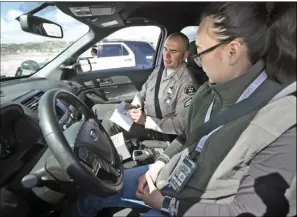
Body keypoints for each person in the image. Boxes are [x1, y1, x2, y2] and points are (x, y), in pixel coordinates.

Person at [73, 2, 296, 217]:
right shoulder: (208, 92)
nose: (196, 62)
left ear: (232, 51)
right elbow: (186, 136)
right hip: (170, 177)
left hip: (195, 205)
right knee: (97, 190)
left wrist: (165, 204)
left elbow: (244, 211)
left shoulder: (283, 122)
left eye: (199, 53)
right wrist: (158, 165)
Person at [93, 32, 198, 142]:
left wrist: (146, 121)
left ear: (185, 55)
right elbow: (142, 94)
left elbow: (180, 126)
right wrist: (134, 106)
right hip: (143, 116)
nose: (166, 55)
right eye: (165, 49)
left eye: (173, 51)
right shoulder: (158, 72)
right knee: (97, 110)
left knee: (111, 122)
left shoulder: (187, 84)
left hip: (159, 130)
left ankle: (98, 155)